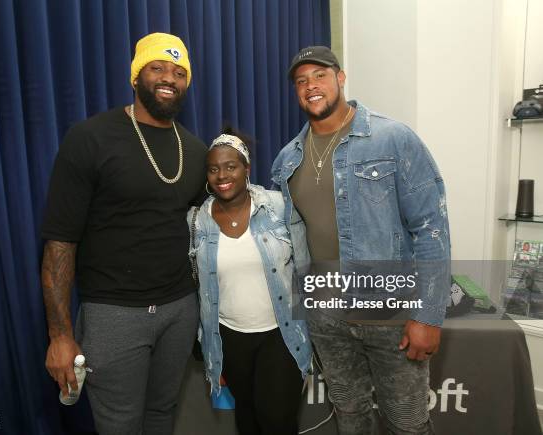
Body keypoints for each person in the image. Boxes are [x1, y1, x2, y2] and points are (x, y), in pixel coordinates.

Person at [271, 46, 451, 434]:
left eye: (319, 75)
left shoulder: (392, 138)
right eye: (301, 81)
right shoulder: (287, 159)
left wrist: (427, 315)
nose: (310, 86)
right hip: (326, 314)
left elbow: (431, 228)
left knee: (406, 423)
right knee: (350, 418)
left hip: (390, 312)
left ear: (340, 77)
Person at [41, 33, 207, 434]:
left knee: (162, 415)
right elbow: (60, 243)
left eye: (179, 71)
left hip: (180, 310)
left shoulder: (197, 150)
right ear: (136, 77)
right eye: (157, 68)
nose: (169, 77)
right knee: (119, 425)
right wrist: (60, 336)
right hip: (113, 314)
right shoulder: (90, 138)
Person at [188, 129, 312, 435]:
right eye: (214, 169)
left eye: (231, 166)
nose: (222, 175)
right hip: (229, 337)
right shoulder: (197, 220)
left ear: (246, 168)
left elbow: (305, 268)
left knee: (276, 421)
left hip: (280, 333)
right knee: (247, 419)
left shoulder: (278, 206)